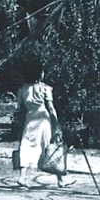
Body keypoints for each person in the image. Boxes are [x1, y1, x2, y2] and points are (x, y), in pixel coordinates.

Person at [15, 60, 70, 188]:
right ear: (40, 74)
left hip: (30, 118)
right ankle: (61, 179)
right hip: (43, 118)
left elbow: (19, 108)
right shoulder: (45, 88)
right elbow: (51, 108)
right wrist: (56, 124)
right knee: (50, 147)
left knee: (26, 145)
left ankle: (22, 176)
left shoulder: (22, 89)